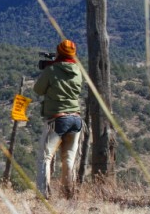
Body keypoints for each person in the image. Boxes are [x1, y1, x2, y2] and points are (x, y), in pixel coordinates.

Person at [33, 39, 83, 200]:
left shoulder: (52, 70)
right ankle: (68, 195)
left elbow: (38, 89)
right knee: (69, 160)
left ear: (59, 53)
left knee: (44, 158)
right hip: (76, 119)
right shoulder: (78, 70)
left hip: (58, 119)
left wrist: (47, 71)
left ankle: (43, 196)